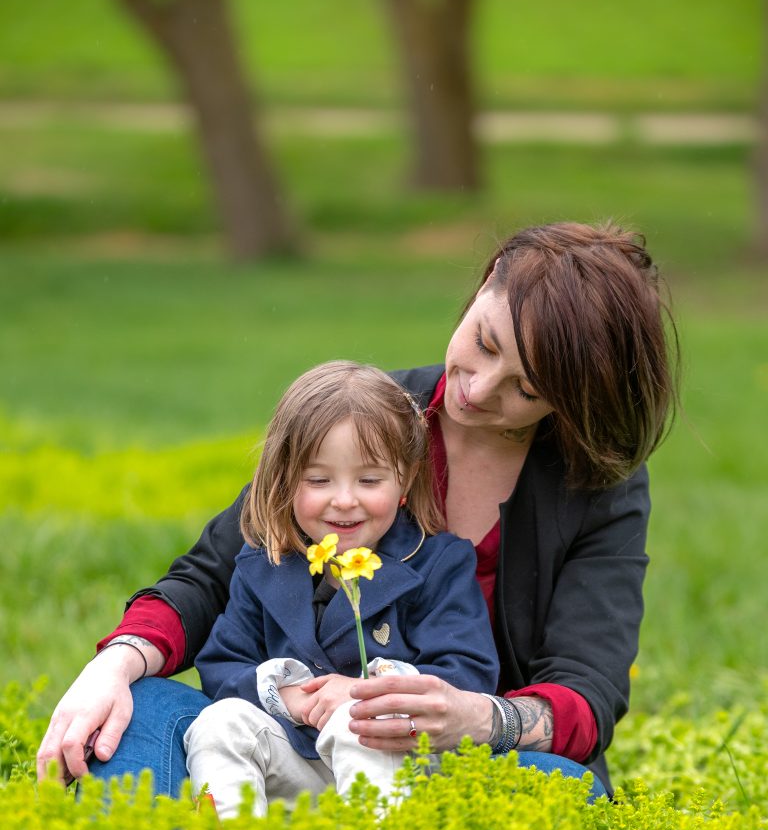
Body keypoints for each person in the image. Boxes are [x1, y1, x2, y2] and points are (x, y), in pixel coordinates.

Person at [37, 221, 678, 799]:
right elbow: (211, 575)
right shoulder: (363, 417)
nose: (479, 389)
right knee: (139, 707)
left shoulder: (598, 487)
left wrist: (477, 718)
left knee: (564, 791)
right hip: (288, 746)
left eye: (527, 388)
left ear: (571, 400)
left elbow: (588, 693)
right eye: (483, 343)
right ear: (484, 284)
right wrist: (114, 663)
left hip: (455, 766)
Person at [184, 361, 499, 817]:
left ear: (405, 482)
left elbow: (468, 674)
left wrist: (364, 695)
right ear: (285, 481)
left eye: (369, 480)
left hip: (401, 765)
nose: (345, 499)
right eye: (318, 480)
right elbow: (221, 662)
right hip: (299, 757)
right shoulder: (266, 560)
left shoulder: (438, 564)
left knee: (361, 726)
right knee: (219, 723)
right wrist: (284, 695)